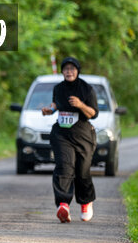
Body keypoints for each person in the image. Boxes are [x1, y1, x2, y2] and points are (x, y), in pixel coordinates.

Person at [42, 57, 98, 223]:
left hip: (83, 134)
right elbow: (56, 104)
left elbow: (93, 114)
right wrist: (49, 110)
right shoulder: (59, 88)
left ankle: (85, 203)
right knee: (64, 167)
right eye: (66, 69)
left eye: (72, 69)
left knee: (82, 171)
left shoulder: (86, 89)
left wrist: (80, 105)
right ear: (62, 71)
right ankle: (63, 204)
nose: (69, 72)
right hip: (62, 134)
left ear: (77, 71)